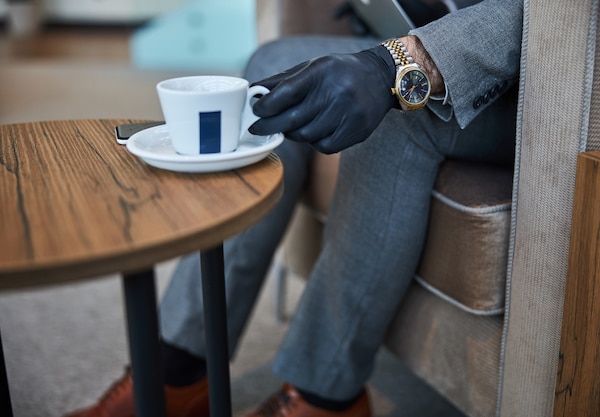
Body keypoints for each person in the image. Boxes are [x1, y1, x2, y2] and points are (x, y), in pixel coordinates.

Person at [65, 0, 522, 416]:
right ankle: (177, 371)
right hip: (443, 20)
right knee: (272, 65)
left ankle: (327, 397)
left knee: (396, 107)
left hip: (536, 77)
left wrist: (395, 66)